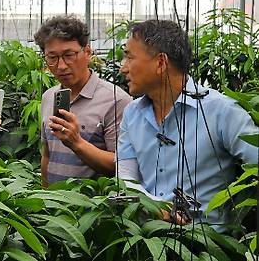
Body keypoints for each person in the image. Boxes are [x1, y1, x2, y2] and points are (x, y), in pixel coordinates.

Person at [116, 19, 259, 229]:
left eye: (129, 57)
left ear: (161, 63)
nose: (123, 68)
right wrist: (154, 205)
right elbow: (125, 177)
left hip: (208, 244)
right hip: (146, 239)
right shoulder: (132, 113)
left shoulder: (221, 112)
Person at [34, 16, 131, 187]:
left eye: (69, 55)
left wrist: (77, 143)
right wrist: (44, 195)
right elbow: (47, 154)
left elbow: (123, 165)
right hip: (53, 207)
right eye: (52, 57)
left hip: (93, 209)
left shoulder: (116, 100)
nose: (61, 65)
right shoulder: (49, 97)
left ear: (87, 53)